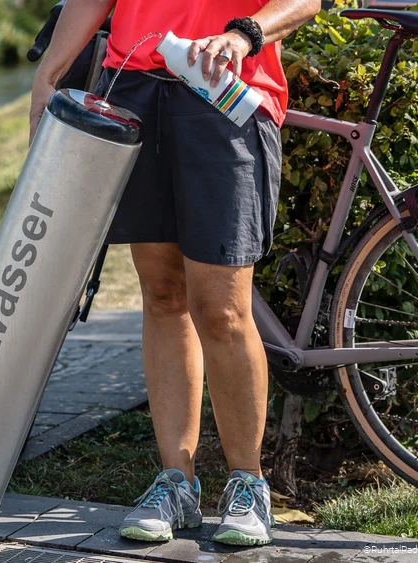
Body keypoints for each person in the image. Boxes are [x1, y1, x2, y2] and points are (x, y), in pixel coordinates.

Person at [29, 0, 321, 547]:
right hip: (136, 87)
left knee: (224, 308)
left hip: (225, 92)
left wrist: (244, 35)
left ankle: (248, 483)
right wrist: (47, 75)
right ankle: (176, 483)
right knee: (162, 294)